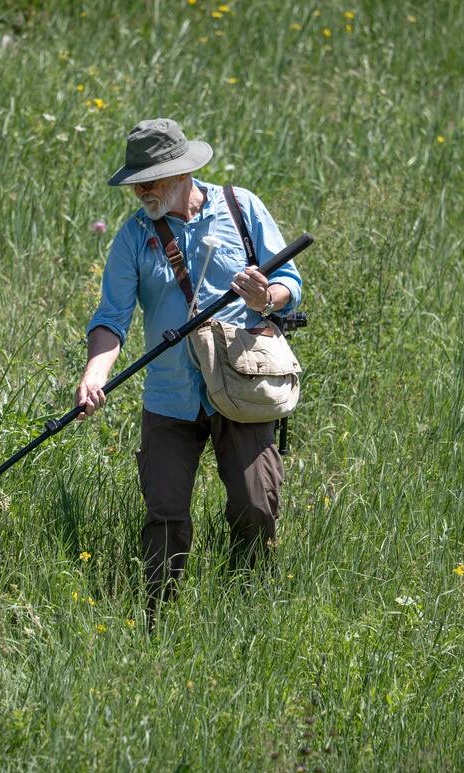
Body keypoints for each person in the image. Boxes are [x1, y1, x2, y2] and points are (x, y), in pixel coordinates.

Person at [77, 118, 303, 617]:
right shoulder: (133, 238)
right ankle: (157, 618)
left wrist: (268, 295)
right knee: (164, 516)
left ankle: (248, 607)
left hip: (242, 385)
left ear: (180, 173)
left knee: (256, 506)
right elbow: (111, 319)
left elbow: (289, 281)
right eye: (135, 182)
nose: (140, 191)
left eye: (149, 180)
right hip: (171, 395)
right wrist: (95, 373)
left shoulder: (241, 208)